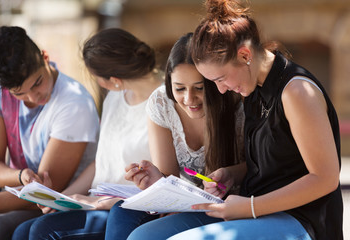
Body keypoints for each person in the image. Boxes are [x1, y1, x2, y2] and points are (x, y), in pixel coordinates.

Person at [127, 0, 343, 239]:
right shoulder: (252, 87)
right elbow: (277, 165)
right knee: (143, 236)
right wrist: (233, 174)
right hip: (252, 210)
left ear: (244, 55)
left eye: (220, 78)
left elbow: (325, 178)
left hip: (300, 219)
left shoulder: (297, 92)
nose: (220, 90)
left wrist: (250, 207)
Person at [12, 28, 163, 240]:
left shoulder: (164, 100)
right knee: (22, 231)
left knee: (43, 230)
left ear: (112, 79)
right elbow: (101, 162)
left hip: (130, 208)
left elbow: (164, 179)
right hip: (97, 202)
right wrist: (62, 199)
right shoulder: (114, 97)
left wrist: (97, 203)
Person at [104, 32, 245, 240]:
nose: (189, 99)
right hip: (184, 201)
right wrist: (153, 179)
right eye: (179, 88)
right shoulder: (162, 103)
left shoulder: (236, 105)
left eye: (199, 88)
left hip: (228, 204)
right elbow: (168, 177)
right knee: (120, 212)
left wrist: (230, 173)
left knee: (142, 236)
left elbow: (257, 165)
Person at [0, 26, 99, 239]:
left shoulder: (74, 102)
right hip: (15, 193)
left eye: (38, 82)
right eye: (19, 93)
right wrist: (19, 176)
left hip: (58, 203)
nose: (33, 97)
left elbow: (46, 193)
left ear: (45, 57)